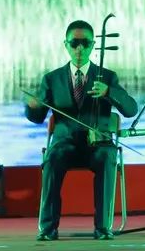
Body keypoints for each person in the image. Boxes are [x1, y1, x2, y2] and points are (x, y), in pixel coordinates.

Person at [25, 20, 138, 241]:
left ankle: (103, 228)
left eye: (85, 43)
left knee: (107, 156)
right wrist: (33, 107)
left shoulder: (107, 77)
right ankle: (47, 228)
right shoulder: (52, 79)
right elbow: (37, 118)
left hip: (97, 145)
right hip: (65, 144)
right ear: (65, 45)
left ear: (93, 45)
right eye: (74, 43)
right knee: (52, 157)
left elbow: (131, 109)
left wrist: (109, 92)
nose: (79, 49)